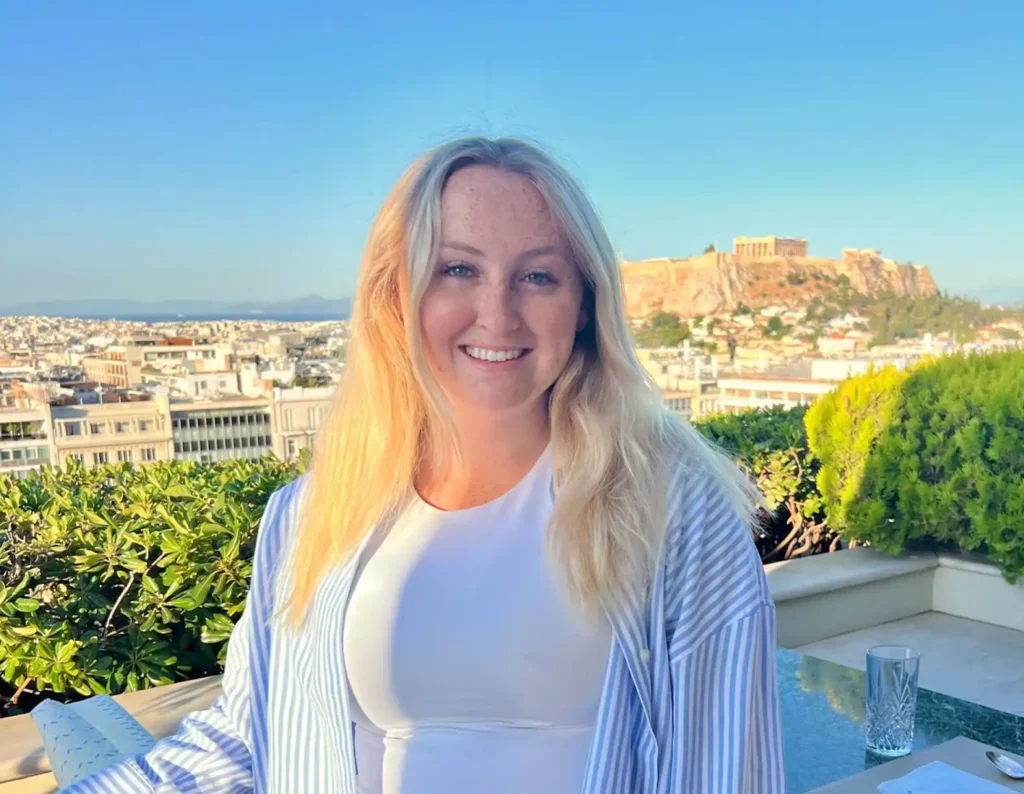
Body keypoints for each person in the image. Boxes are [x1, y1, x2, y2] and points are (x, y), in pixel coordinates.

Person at [64, 137, 784, 793]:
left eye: (538, 278)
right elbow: (252, 734)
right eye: (458, 269)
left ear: (586, 306)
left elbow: (726, 772)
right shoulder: (312, 515)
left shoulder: (671, 508)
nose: (496, 315)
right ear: (396, 295)